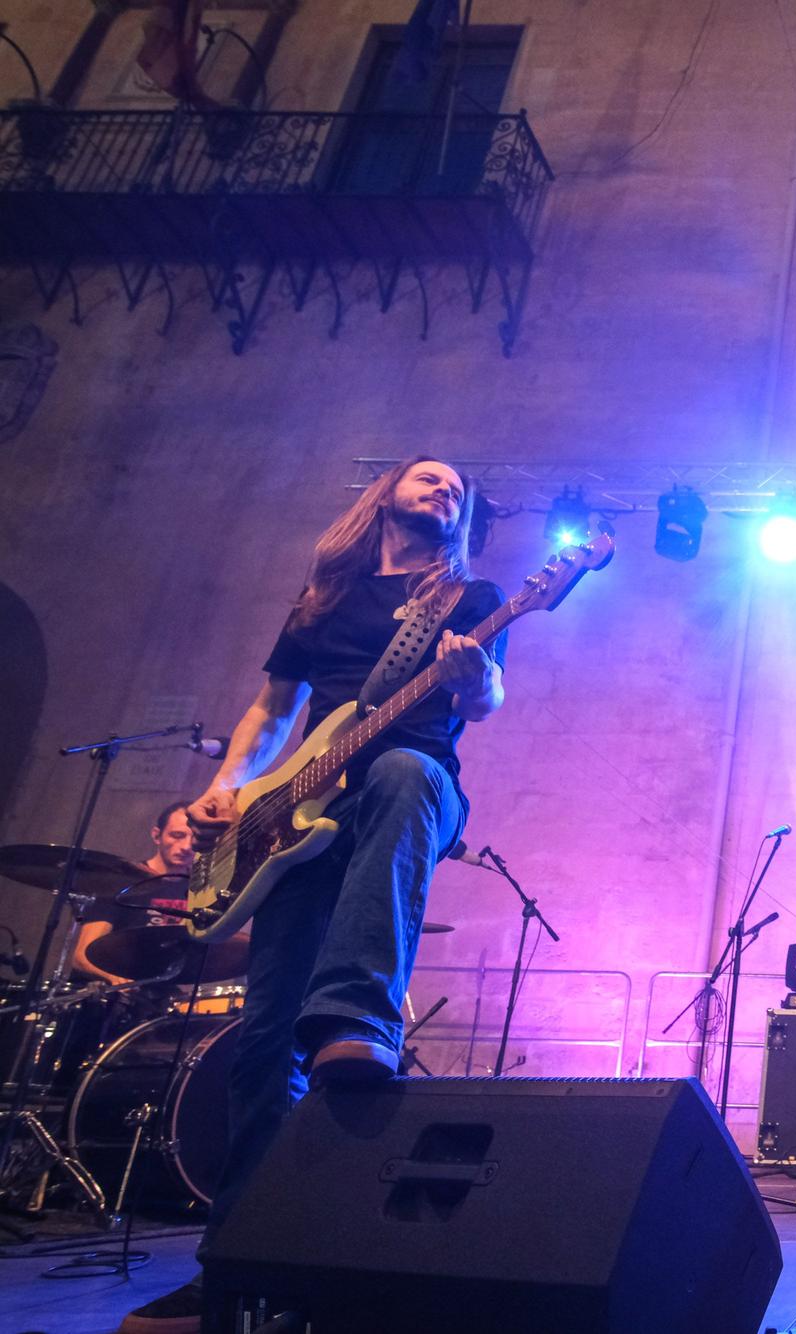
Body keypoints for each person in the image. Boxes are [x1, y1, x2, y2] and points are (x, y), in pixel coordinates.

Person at [119, 456, 506, 1334]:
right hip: (295, 821)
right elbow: (272, 708)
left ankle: (360, 1018)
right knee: (263, 1051)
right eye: (427, 478)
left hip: (415, 793)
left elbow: (487, 699)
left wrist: (475, 681)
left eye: (456, 487)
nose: (444, 489)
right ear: (385, 497)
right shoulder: (322, 599)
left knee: (405, 765)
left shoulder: (472, 601)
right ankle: (239, 1270)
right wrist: (228, 786)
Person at [71, 799, 198, 985]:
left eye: (194, 838)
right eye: (177, 835)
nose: (186, 846)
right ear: (157, 836)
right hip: (106, 996)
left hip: (156, 996)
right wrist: (116, 981)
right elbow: (82, 957)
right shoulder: (122, 882)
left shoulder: (198, 892)